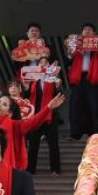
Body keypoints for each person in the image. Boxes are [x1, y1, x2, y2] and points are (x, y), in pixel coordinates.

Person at [0, 91, 66, 172]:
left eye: (4, 104)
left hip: (5, 171)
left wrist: (48, 108)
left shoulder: (14, 125)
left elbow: (32, 122)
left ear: (9, 114)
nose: (0, 104)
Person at [18, 23, 61, 175]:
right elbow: (26, 91)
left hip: (49, 111)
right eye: (40, 62)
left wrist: (58, 84)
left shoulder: (52, 74)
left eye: (45, 61)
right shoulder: (31, 74)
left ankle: (55, 169)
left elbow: (58, 91)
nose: (42, 63)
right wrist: (25, 85)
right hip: (35, 110)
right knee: (34, 141)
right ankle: (30, 169)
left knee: (53, 142)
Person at [66, 22, 98, 140]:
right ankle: (75, 133)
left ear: (94, 34)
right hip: (78, 79)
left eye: (90, 30)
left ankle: (95, 132)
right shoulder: (75, 45)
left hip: (93, 80)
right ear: (82, 33)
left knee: (94, 106)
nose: (87, 31)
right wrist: (70, 52)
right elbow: (67, 62)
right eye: (85, 30)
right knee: (75, 106)